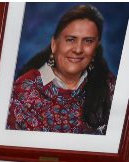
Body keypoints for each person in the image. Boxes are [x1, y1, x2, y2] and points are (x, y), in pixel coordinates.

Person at [7, 4, 116, 135]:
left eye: (88, 41)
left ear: (96, 48)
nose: (78, 49)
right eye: (70, 40)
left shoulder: (109, 87)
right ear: (54, 44)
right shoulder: (24, 89)